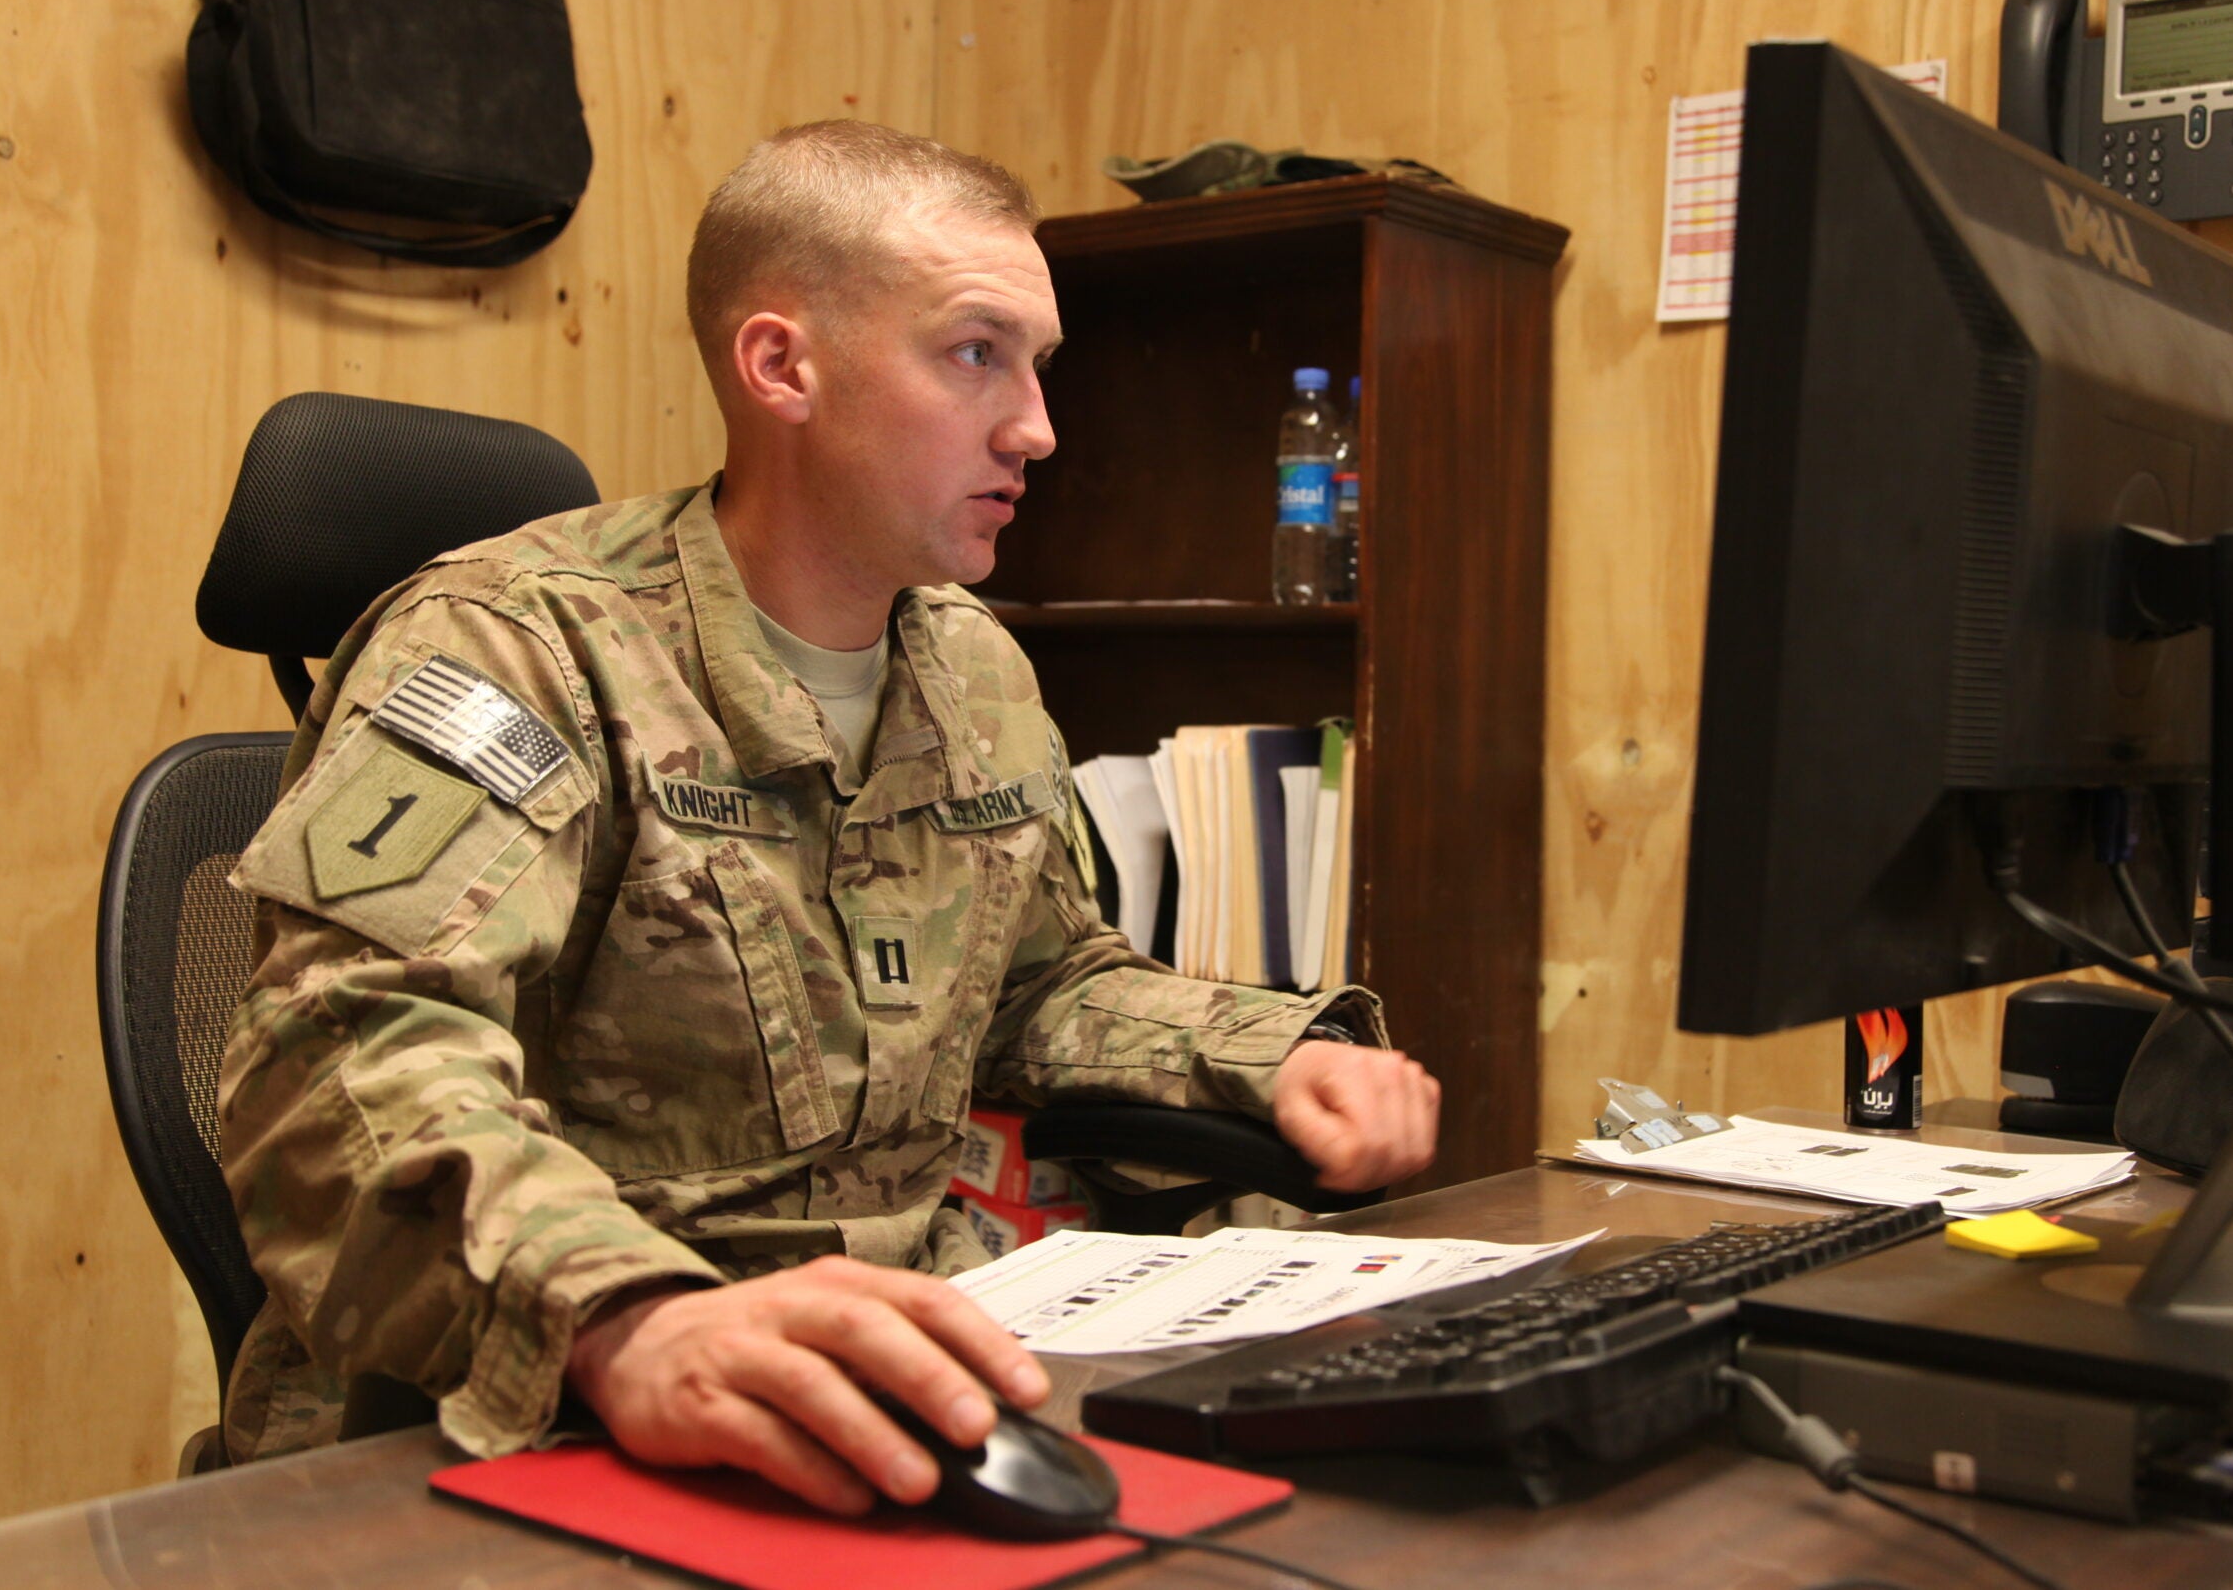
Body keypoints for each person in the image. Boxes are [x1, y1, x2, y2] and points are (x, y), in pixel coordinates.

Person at [216, 120, 1439, 1515]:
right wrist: (626, 1318)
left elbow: (1037, 985)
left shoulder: (971, 665)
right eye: (977, 353)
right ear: (782, 366)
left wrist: (1274, 1059)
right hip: (542, 1401)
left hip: (894, 1357)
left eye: (1040, 365)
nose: (1037, 425)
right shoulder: (521, 645)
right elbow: (337, 1054)